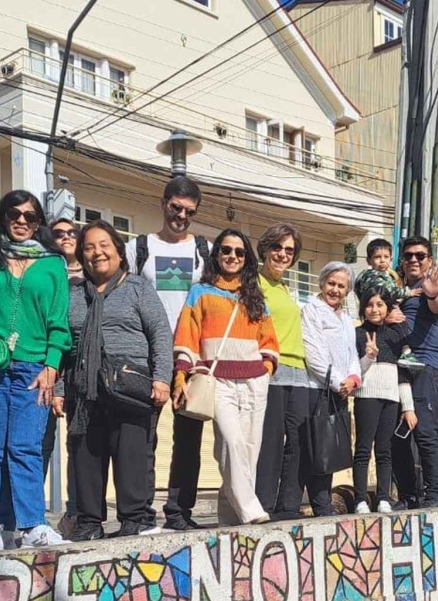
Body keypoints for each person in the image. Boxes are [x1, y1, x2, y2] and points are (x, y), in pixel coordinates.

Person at [0, 190, 70, 551]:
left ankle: (33, 524)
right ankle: (0, 526)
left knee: (25, 446)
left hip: (33, 367)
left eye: (31, 216)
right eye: (14, 214)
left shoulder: (52, 262)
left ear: (39, 223)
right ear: (2, 216)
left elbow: (59, 320)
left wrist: (52, 365)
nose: (22, 221)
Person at [58, 221, 173, 540]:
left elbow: (161, 334)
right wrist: (57, 389)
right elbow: (63, 344)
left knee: (133, 456)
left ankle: (136, 519)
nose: (97, 252)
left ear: (119, 251)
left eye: (104, 245)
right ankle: (88, 522)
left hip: (130, 387)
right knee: (86, 456)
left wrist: (162, 378)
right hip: (84, 389)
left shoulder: (137, 288)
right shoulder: (73, 294)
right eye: (89, 247)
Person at [172, 229, 279, 526]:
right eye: (226, 250)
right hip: (217, 379)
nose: (232, 256)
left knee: (249, 452)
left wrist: (266, 371)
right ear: (217, 254)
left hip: (255, 381)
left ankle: (231, 521)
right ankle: (251, 510)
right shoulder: (200, 292)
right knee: (230, 445)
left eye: (239, 252)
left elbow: (269, 341)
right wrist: (181, 378)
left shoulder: (255, 297)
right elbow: (186, 337)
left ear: (246, 259)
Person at [130, 176, 212, 531]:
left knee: (188, 440)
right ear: (163, 203)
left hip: (190, 354)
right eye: (176, 208)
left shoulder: (204, 250)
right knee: (143, 436)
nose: (181, 216)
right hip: (146, 353)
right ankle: (141, 513)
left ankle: (180, 513)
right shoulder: (139, 248)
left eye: (189, 212)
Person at [254, 224, 312, 520]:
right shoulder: (254, 284)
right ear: (265, 249)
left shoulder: (288, 288)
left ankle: (288, 505)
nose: (283, 254)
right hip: (271, 370)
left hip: (299, 372)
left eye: (290, 250)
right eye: (277, 247)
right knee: (271, 441)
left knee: (299, 442)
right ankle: (263, 505)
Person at [299, 262, 362, 516]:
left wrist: (353, 378)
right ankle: (306, 504)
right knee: (313, 449)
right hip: (318, 388)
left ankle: (323, 505)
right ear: (322, 283)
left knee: (330, 451)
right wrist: (338, 382)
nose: (335, 289)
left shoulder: (346, 320)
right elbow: (314, 353)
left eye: (341, 286)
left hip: (341, 392)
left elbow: (352, 355)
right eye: (331, 283)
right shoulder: (311, 311)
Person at [352, 289, 415, 513]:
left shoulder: (396, 334)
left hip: (391, 397)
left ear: (388, 308)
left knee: (384, 450)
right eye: (369, 305)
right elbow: (354, 371)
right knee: (362, 448)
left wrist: (408, 407)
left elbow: (404, 372)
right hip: (366, 395)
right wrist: (369, 357)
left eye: (380, 304)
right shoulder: (357, 334)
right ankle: (360, 499)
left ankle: (383, 498)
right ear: (362, 309)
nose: (375, 309)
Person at [396, 236, 438, 508]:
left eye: (420, 255)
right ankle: (408, 495)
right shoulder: (400, 291)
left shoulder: (434, 288)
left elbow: (437, 305)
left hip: (425, 366)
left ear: (429, 260)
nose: (414, 260)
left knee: (425, 431)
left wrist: (431, 292)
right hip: (398, 367)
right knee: (398, 434)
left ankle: (434, 494)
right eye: (408, 256)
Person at [45, 215, 83, 537]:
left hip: (83, 368)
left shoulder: (89, 276)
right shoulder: (45, 270)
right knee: (38, 444)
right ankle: (27, 518)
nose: (66, 237)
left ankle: (76, 514)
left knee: (79, 445)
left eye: (72, 232)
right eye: (59, 233)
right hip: (48, 364)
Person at [354, 238, 404, 306]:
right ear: (368, 261)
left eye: (386, 257)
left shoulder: (389, 274)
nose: (382, 260)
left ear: (390, 259)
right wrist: (408, 292)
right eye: (377, 257)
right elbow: (388, 292)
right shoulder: (371, 276)